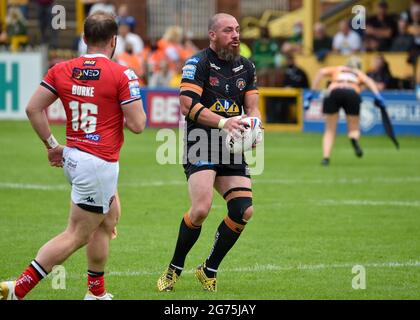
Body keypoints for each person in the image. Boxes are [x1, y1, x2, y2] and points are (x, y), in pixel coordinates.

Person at [0, 11, 146, 300]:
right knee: (76, 235)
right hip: (98, 163)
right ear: (114, 40)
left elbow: (33, 108)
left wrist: (52, 145)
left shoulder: (62, 69)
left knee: (109, 220)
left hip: (74, 156)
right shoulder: (121, 73)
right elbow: (138, 125)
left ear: (84, 38)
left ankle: (96, 294)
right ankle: (18, 289)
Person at [157, 13, 261, 292]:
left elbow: (252, 107)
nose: (236, 35)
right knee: (201, 209)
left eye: (238, 29)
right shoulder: (197, 63)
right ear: (213, 35)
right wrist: (224, 121)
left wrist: (255, 128)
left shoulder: (247, 67)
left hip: (231, 143)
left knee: (243, 210)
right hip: (201, 140)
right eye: (229, 30)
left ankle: (208, 269)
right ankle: (174, 268)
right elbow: (187, 106)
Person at [304, 57, 385, 166]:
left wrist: (311, 92)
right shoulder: (358, 73)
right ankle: (353, 139)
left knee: (330, 130)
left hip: (334, 92)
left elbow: (321, 72)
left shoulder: (338, 69)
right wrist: (377, 95)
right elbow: (369, 81)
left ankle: (326, 158)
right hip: (352, 93)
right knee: (353, 127)